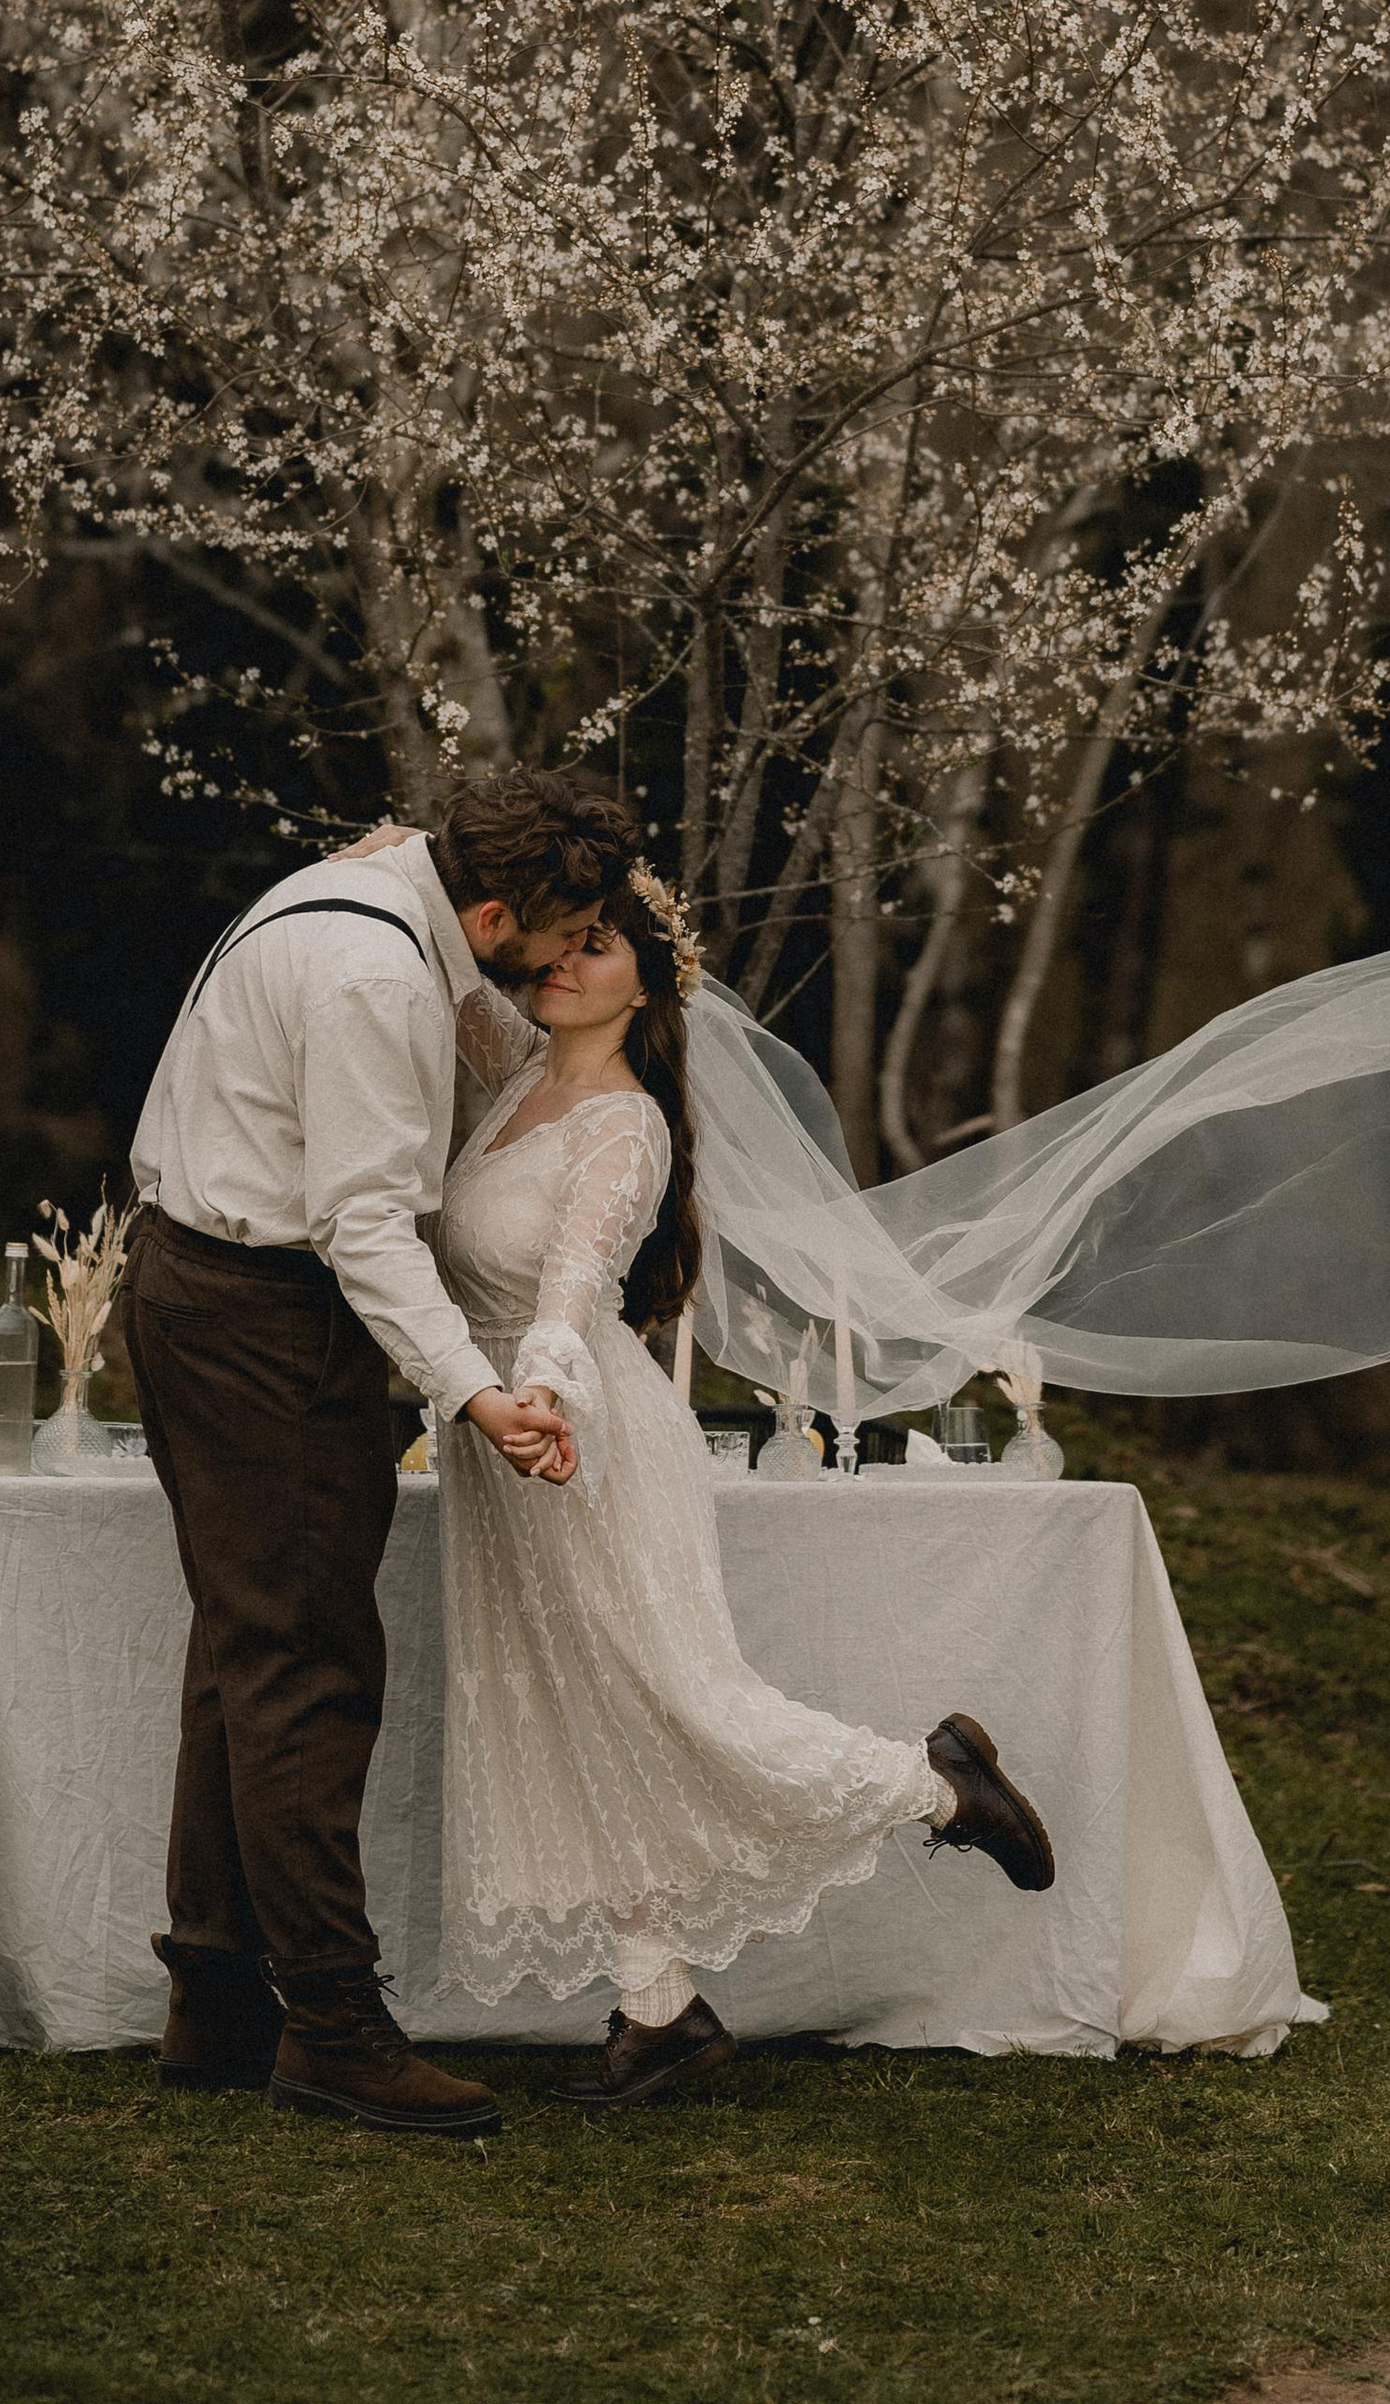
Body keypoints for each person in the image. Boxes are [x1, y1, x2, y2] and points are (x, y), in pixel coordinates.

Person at [429, 858, 1057, 2110]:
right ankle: (658, 2006)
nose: (564, 958)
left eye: (598, 945)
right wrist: (399, 860)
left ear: (647, 987)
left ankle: (937, 1780)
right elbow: (448, 964)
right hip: (500, 1440)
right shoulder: (515, 1071)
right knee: (583, 1723)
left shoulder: (625, 1125)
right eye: (561, 935)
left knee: (679, 1706)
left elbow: (573, 1287)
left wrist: (537, 1397)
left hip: (578, 1433)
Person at [120, 763, 639, 2140]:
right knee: (307, 1665)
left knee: (245, 1648)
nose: (553, 965)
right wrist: (476, 1392)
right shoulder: (375, 977)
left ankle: (216, 1995)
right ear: (489, 911)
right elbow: (363, 1224)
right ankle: (334, 2028)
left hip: (201, 1284)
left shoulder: (373, 889)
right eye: (551, 937)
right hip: (262, 1316)